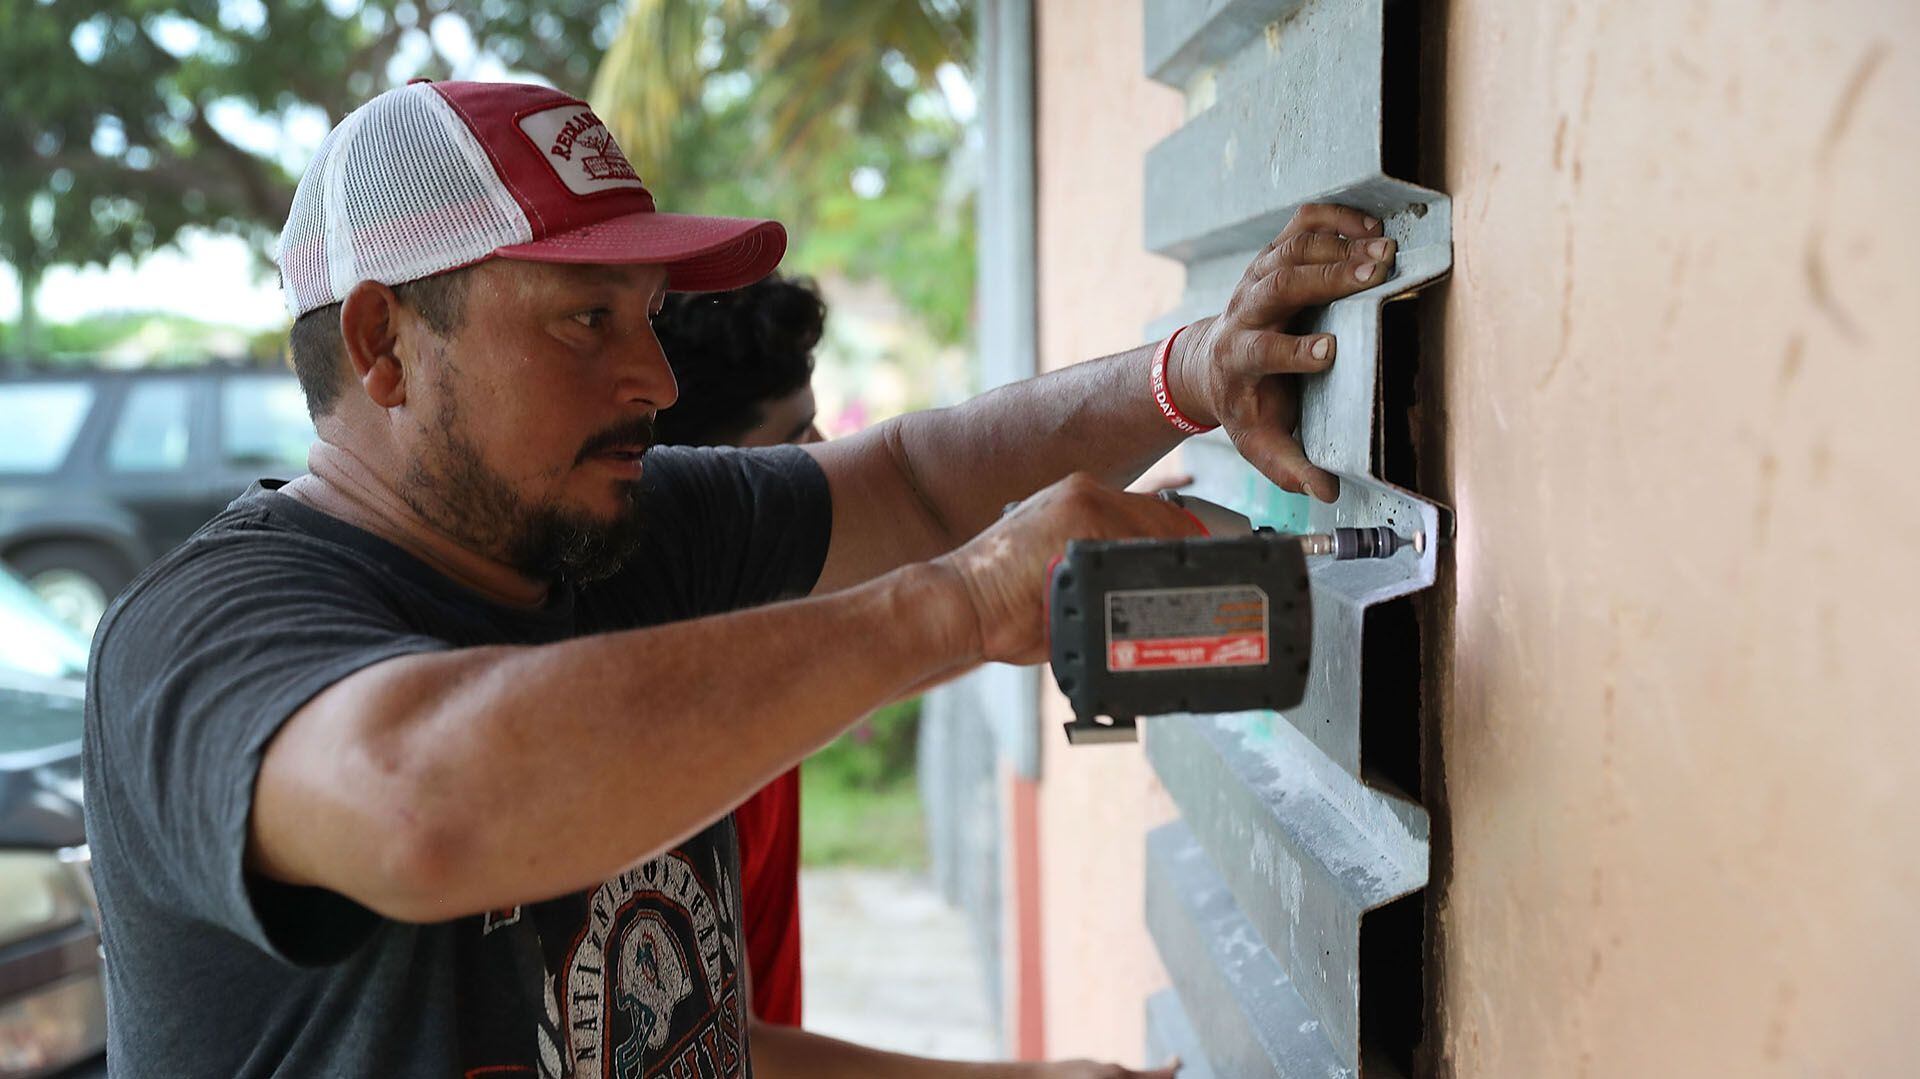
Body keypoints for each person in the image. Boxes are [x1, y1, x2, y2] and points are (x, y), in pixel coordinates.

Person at [82, 80, 1394, 1078]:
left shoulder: (613, 531)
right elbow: (425, 808)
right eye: (586, 318)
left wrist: (1188, 375)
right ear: (383, 341)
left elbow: (916, 479)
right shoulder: (203, 633)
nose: (655, 377)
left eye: (648, 314)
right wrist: (960, 602)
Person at [650, 274, 828, 1028]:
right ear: (710, 484)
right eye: (798, 443)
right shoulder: (685, 733)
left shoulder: (760, 648)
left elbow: (934, 634)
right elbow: (737, 1047)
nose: (831, 459)